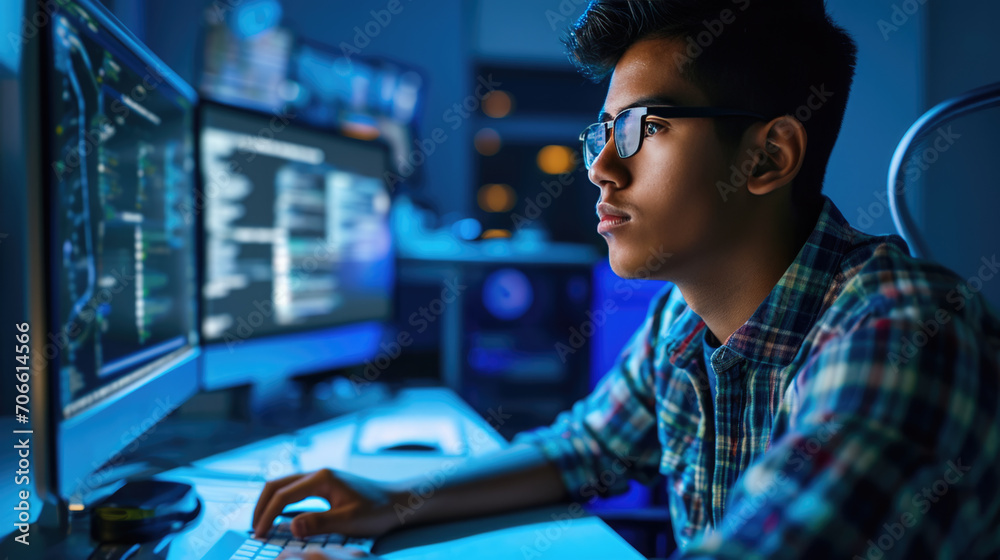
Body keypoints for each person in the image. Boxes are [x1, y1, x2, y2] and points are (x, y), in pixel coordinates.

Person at [258, 1, 1000, 558]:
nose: (600, 168)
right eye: (600, 134)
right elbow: (581, 449)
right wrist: (393, 498)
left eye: (643, 127)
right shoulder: (683, 323)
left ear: (769, 157)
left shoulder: (906, 331)